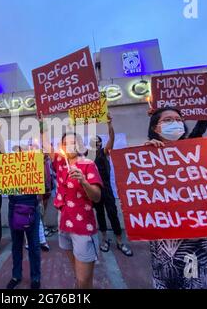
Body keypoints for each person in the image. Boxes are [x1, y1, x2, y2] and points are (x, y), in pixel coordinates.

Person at [145, 107, 207, 289]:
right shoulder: (144, 156)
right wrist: (147, 158)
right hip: (173, 246)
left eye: (178, 119)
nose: (176, 123)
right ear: (155, 128)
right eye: (168, 120)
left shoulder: (199, 152)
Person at [44, 130, 103, 289]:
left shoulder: (88, 164)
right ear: (61, 147)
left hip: (83, 227)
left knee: (84, 280)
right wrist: (42, 124)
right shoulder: (60, 162)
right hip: (64, 224)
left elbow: (96, 197)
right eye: (66, 143)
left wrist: (83, 181)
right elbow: (46, 144)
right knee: (78, 276)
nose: (70, 146)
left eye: (74, 142)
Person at [87, 114, 132, 256]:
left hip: (106, 189)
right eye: (94, 142)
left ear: (101, 143)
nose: (97, 143)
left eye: (98, 141)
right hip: (95, 190)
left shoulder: (104, 152)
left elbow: (111, 139)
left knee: (113, 214)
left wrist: (109, 124)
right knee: (99, 215)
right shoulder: (88, 156)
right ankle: (105, 240)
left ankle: (119, 242)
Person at [6, 145, 42, 289]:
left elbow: (42, 187)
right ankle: (16, 276)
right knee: (16, 244)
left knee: (34, 245)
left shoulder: (33, 169)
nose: (17, 157)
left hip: (31, 207)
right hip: (13, 208)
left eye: (20, 153)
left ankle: (35, 278)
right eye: (13, 155)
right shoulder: (7, 172)